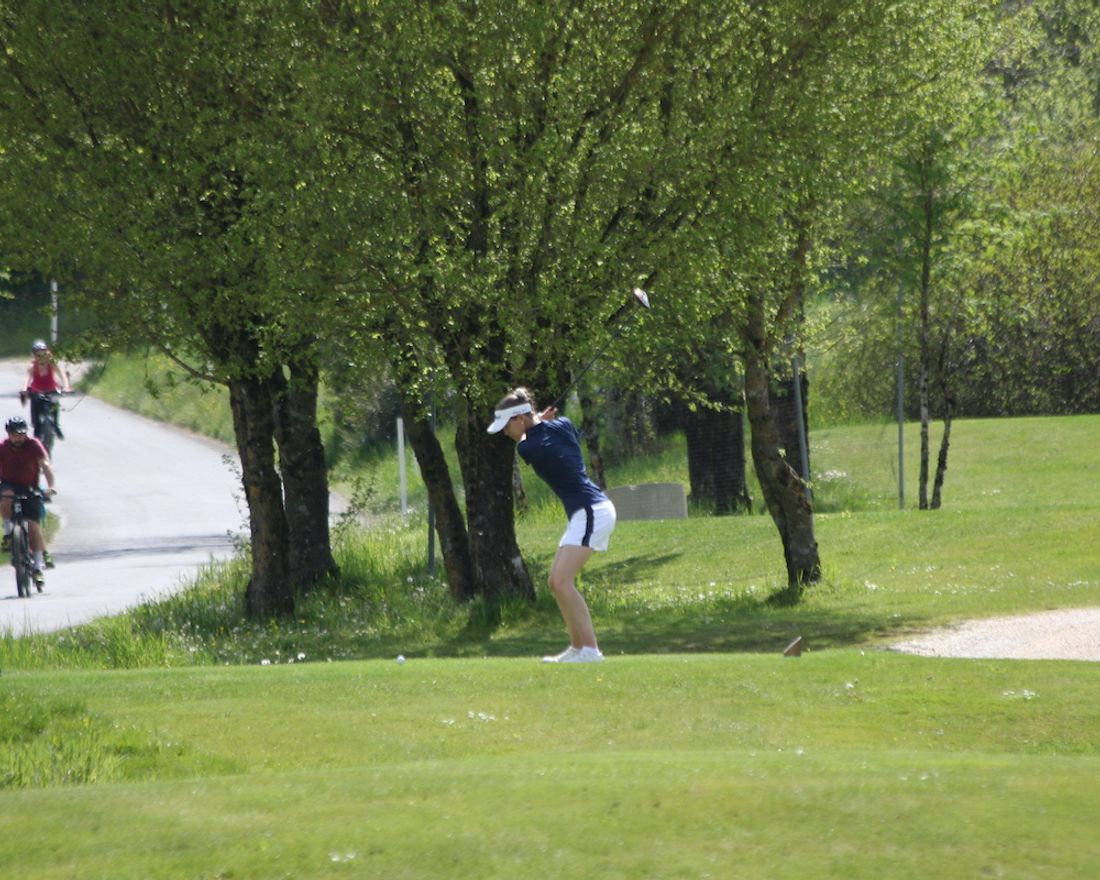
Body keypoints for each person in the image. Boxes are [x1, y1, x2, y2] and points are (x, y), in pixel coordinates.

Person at [488, 387, 616, 663]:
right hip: (587, 510)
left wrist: (539, 423)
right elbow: (555, 431)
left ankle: (590, 650)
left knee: (561, 581)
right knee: (555, 582)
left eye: (507, 425)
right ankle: (577, 648)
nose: (505, 432)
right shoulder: (564, 424)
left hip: (591, 510)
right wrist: (542, 422)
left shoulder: (527, 447)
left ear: (520, 418)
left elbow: (537, 439)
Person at [0, 415, 58, 587]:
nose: (19, 438)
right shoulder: (3, 447)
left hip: (29, 486)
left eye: (22, 434)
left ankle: (38, 567)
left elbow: (45, 465)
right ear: (9, 434)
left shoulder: (34, 445)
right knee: (6, 496)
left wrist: (51, 486)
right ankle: (8, 532)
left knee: (33, 526)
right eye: (15, 435)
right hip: (9, 483)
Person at [22, 339, 71, 445]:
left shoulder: (52, 363)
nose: (41, 357)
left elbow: (62, 374)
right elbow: (27, 378)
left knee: (55, 404)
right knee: (35, 410)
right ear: (34, 355)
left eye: (43, 354)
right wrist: (24, 389)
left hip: (51, 389)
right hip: (37, 390)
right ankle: (36, 430)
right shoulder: (32, 365)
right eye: (38, 355)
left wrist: (67, 387)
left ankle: (56, 425)